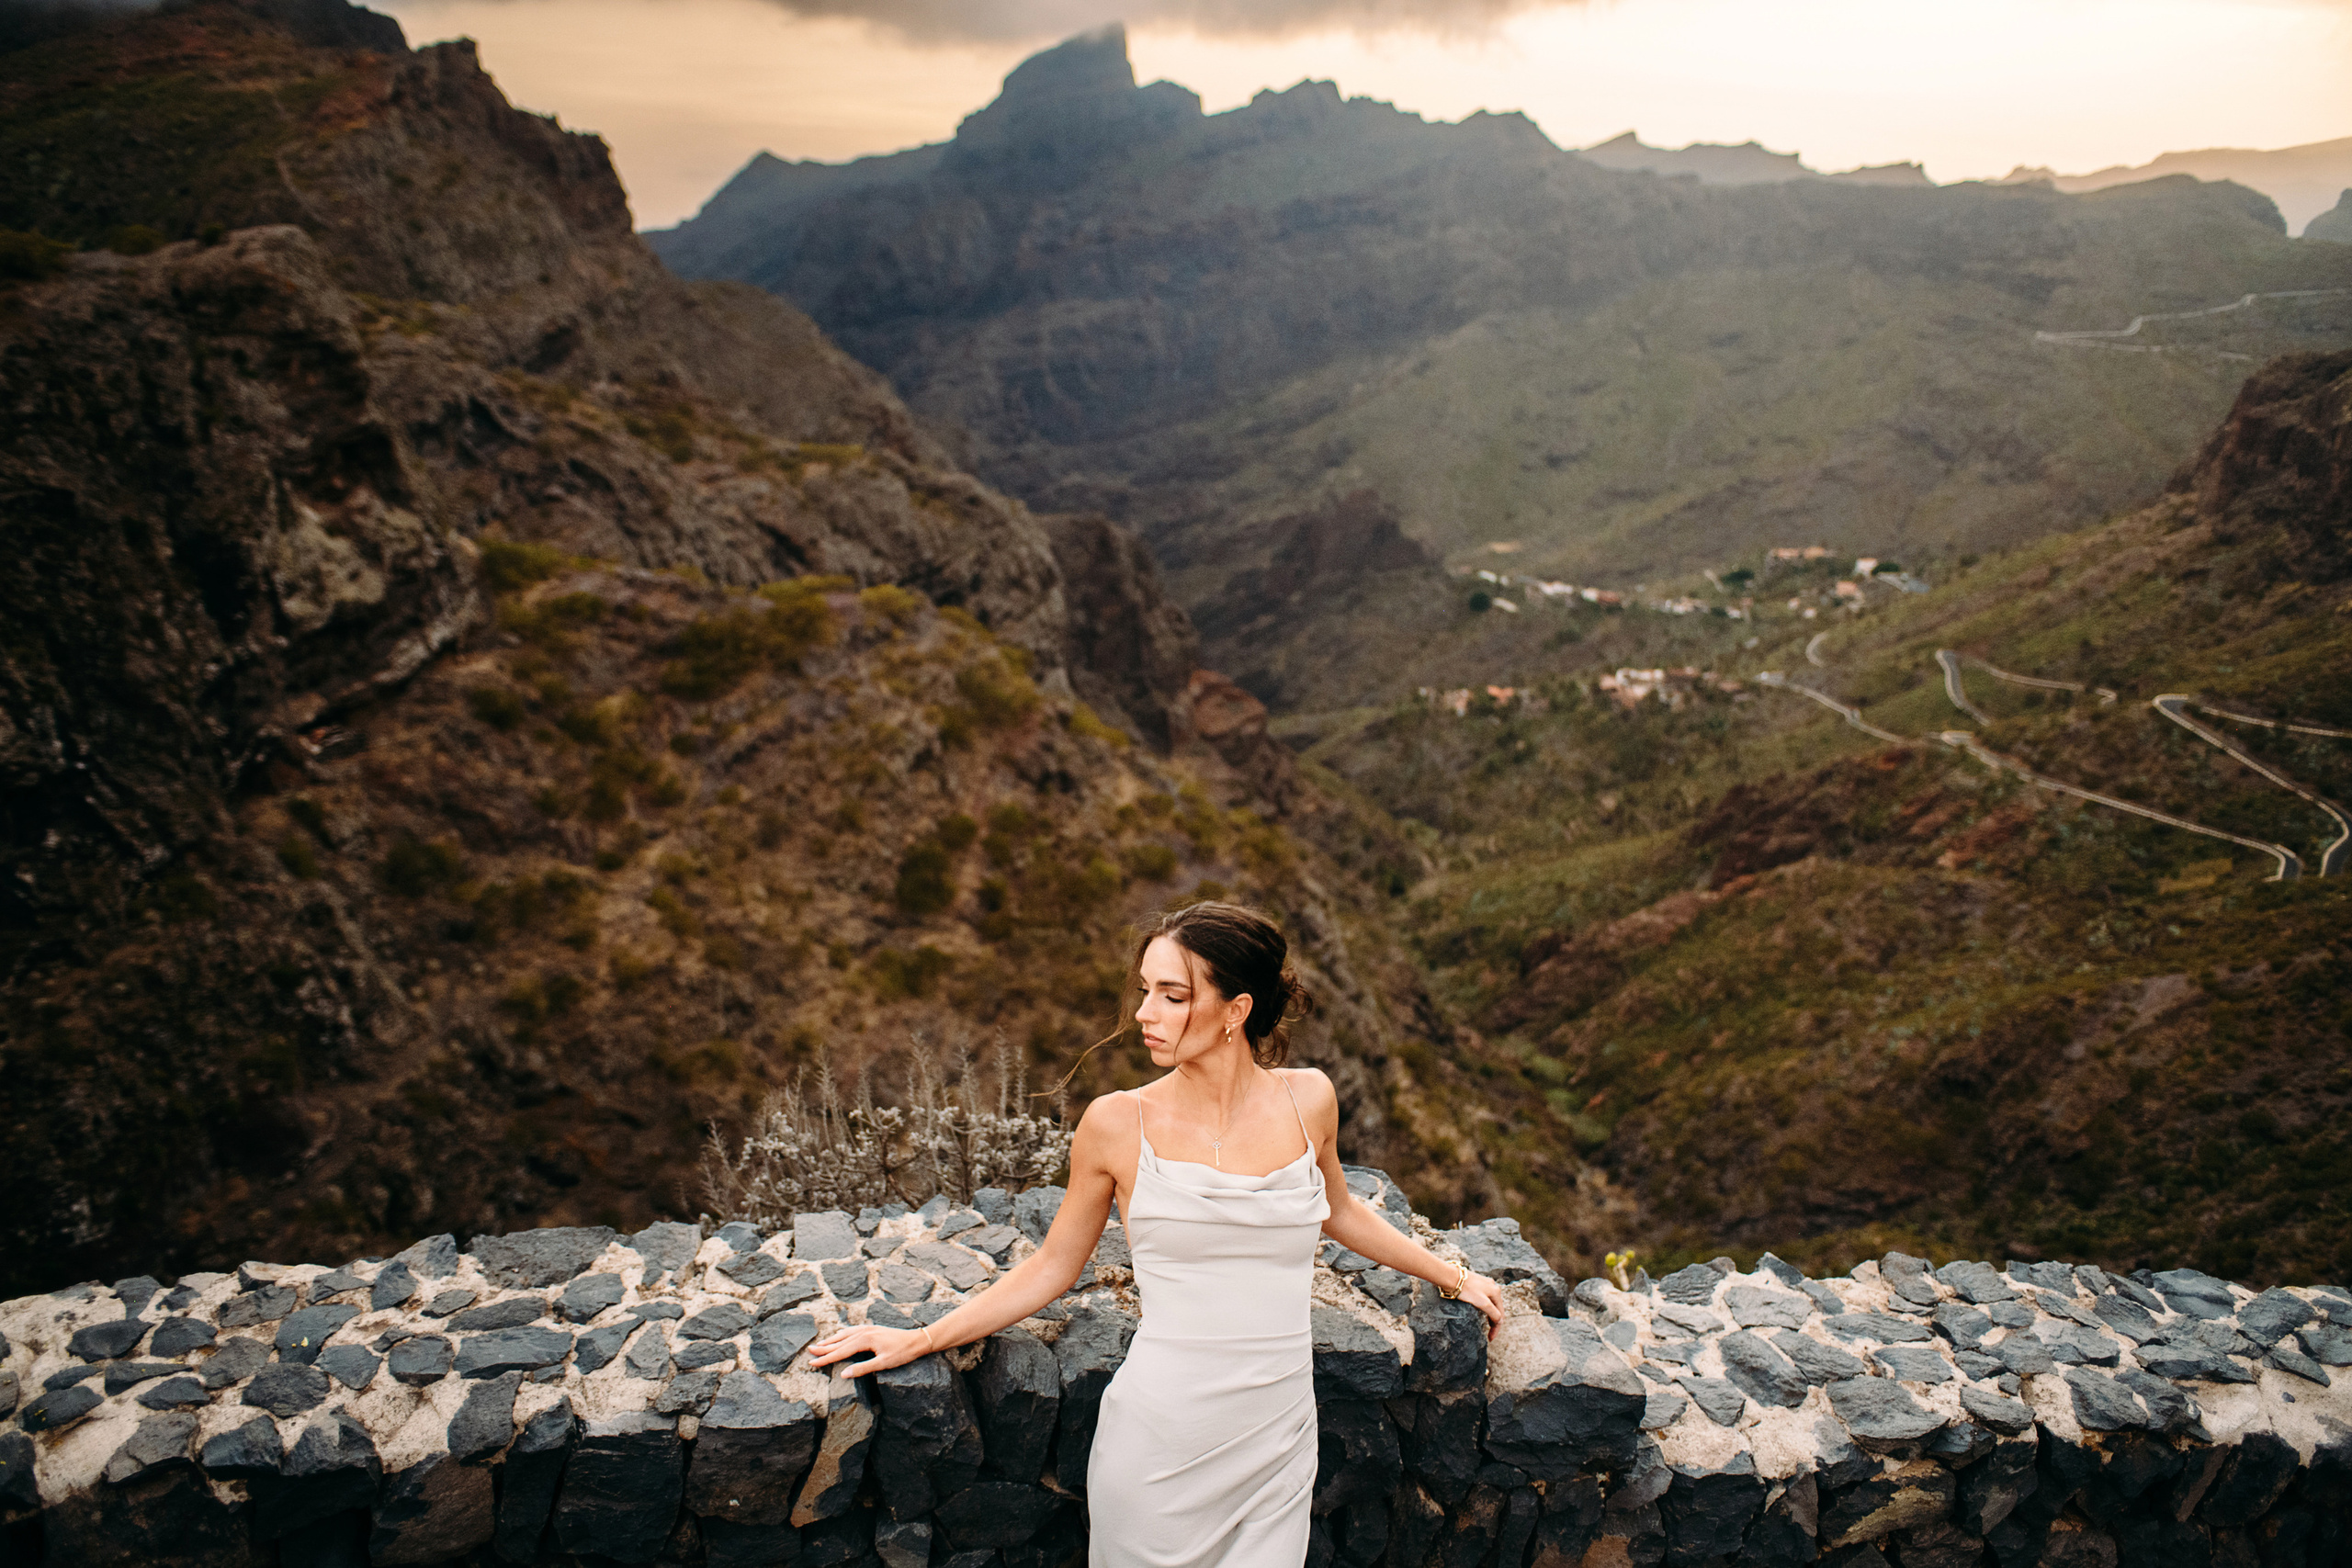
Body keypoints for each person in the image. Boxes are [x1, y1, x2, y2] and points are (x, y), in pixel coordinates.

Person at [809, 900, 1509, 1567]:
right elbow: (1054, 1265)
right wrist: (923, 1337)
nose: (1144, 1013)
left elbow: (1341, 1210)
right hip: (1160, 1446)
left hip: (1276, 1440)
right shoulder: (1116, 1122)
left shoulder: (1310, 1098)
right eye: (1146, 990)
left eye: (1172, 995)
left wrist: (1453, 1275)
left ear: (1237, 1010)